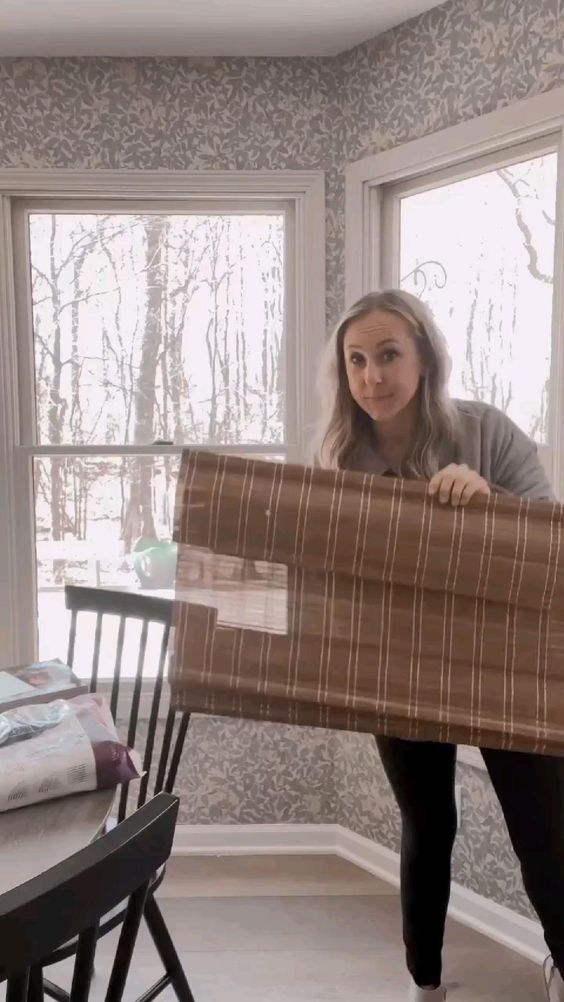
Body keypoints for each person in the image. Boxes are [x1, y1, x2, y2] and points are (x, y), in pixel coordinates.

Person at [316, 289, 564, 1002]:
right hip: (399, 668)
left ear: (425, 356)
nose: (372, 377)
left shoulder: (485, 430)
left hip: (507, 664)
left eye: (389, 354)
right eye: (357, 360)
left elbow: (550, 538)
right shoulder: (339, 459)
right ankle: (425, 981)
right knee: (428, 824)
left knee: (545, 831)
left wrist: (488, 499)